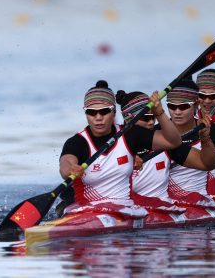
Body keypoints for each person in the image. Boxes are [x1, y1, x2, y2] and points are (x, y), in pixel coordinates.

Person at [58, 80, 182, 218]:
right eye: (91, 112)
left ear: (114, 112)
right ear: (85, 113)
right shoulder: (77, 142)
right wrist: (70, 169)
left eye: (104, 111)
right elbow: (66, 162)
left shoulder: (130, 134)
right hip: (88, 212)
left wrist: (160, 113)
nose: (98, 118)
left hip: (125, 210)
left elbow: (174, 141)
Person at [115, 89, 215, 212]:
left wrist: (205, 139)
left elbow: (207, 164)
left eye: (153, 117)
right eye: (145, 118)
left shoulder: (165, 144)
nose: (151, 123)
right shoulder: (113, 147)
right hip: (125, 209)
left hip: (161, 211)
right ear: (128, 119)